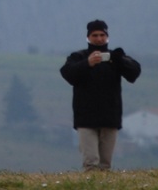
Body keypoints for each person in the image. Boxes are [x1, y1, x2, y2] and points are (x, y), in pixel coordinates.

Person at [60, 19, 141, 171]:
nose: (99, 39)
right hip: (85, 120)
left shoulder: (115, 58)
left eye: (102, 35)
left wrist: (119, 60)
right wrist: (87, 64)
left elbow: (134, 72)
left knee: (105, 166)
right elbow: (67, 73)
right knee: (91, 163)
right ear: (88, 38)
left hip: (110, 119)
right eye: (95, 35)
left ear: (107, 36)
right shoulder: (78, 57)